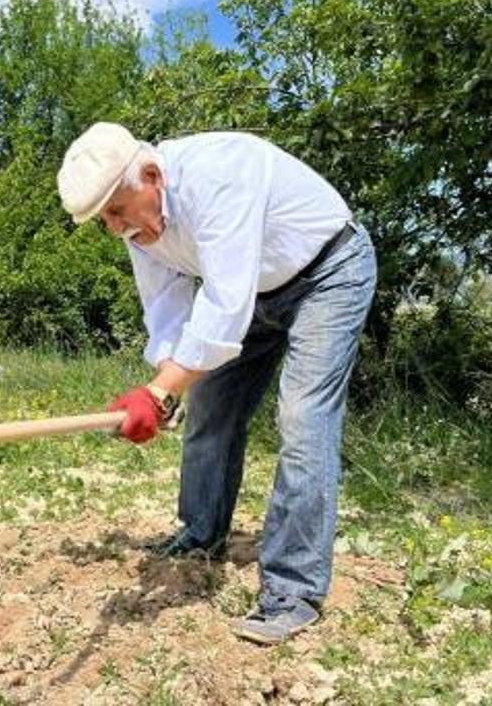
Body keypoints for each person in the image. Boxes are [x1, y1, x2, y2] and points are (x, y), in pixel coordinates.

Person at [56, 123, 377, 645]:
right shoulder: (140, 227)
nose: (115, 229)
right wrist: (165, 386)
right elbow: (166, 307)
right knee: (210, 406)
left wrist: (163, 390)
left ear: (154, 175)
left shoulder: (220, 174)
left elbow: (226, 304)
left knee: (302, 418)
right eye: (104, 221)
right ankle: (201, 533)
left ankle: (293, 591)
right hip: (256, 291)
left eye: (116, 211)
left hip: (327, 274)